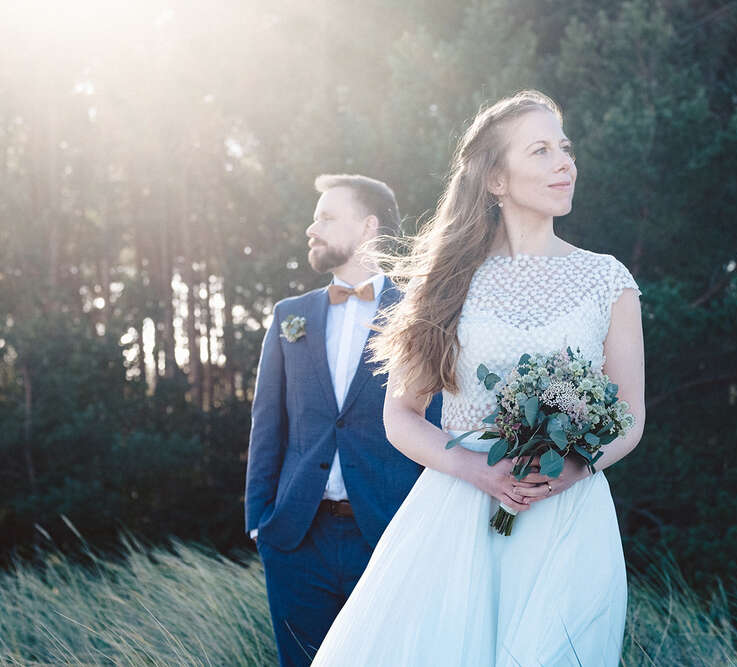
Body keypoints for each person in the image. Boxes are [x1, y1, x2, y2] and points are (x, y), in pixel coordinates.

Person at [312, 90, 645, 666]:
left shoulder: (607, 281)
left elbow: (631, 416)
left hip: (568, 519)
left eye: (564, 148)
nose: (565, 162)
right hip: (457, 516)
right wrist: (478, 470)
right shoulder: (445, 282)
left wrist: (569, 467)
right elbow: (401, 415)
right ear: (495, 178)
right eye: (541, 150)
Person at [243, 173, 443, 667]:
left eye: (327, 217)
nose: (312, 228)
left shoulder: (422, 314)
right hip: (296, 539)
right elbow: (267, 424)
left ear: (369, 226)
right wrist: (259, 522)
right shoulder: (290, 316)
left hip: (388, 533)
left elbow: (437, 422)